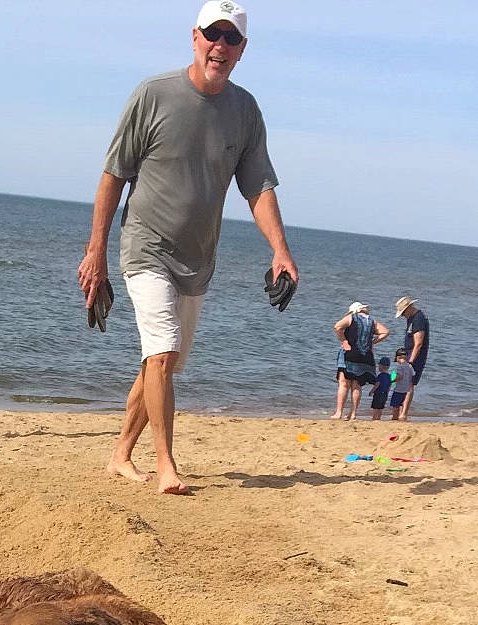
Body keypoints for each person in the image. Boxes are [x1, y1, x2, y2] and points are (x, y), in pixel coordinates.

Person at [76, 2, 297, 495]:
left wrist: (280, 251)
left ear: (242, 50)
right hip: (145, 245)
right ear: (194, 37)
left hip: (197, 258)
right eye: (212, 34)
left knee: (163, 360)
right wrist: (96, 251)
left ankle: (119, 455)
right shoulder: (153, 95)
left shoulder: (245, 111)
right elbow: (113, 176)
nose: (220, 45)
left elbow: (258, 187)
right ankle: (166, 465)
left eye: (231, 38)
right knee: (163, 350)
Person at [332, 301, 388, 420]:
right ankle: (353, 414)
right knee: (357, 385)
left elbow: (337, 327)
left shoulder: (352, 317)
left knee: (343, 384)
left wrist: (344, 341)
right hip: (365, 356)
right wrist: (372, 342)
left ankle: (339, 412)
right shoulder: (372, 321)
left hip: (349, 353)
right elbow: (385, 332)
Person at [393, 296, 430, 419]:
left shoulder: (418, 319)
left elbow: (418, 343)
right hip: (408, 353)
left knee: (409, 384)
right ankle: (400, 411)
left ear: (409, 308)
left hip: (415, 355)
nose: (403, 315)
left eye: (403, 312)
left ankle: (403, 414)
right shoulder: (412, 318)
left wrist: (410, 362)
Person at [390, 350, 415, 419]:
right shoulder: (410, 366)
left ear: (398, 358)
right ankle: (401, 416)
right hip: (406, 390)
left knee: (395, 406)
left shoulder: (399, 367)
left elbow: (399, 377)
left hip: (398, 390)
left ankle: (395, 417)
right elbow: (413, 375)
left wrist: (391, 381)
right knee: (402, 404)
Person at [369, 355, 393, 420]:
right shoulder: (389, 376)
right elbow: (390, 385)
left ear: (381, 366)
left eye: (379, 365)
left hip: (378, 394)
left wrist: (371, 391)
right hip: (385, 394)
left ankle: (374, 417)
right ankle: (379, 417)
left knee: (375, 406)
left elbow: (377, 384)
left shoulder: (380, 375)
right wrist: (387, 392)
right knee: (381, 407)